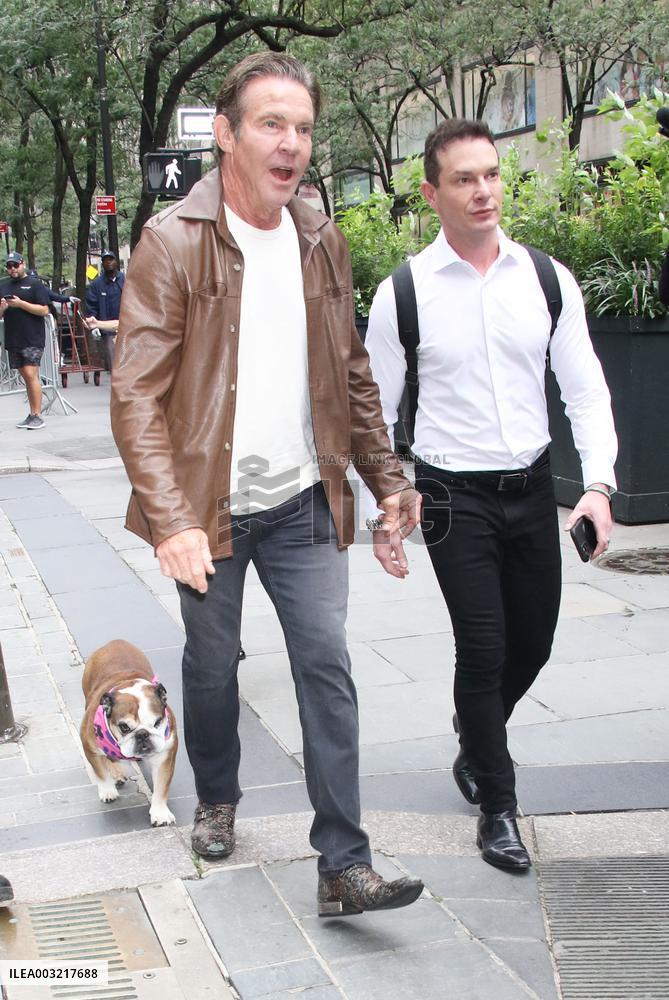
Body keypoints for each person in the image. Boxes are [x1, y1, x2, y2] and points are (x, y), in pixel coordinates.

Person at [111, 52, 424, 917]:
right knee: (212, 668)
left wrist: (386, 480)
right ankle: (217, 795)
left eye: (303, 128)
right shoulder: (172, 240)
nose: (292, 144)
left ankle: (343, 865)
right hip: (207, 509)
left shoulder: (320, 237)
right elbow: (135, 392)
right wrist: (170, 518)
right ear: (226, 135)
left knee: (325, 664)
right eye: (271, 124)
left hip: (302, 503)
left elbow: (351, 371)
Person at [363, 118, 617, 873]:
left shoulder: (544, 278)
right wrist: (388, 498)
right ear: (431, 192)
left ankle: (476, 733)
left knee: (531, 642)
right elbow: (372, 410)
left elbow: (585, 389)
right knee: (482, 645)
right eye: (464, 179)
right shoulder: (402, 293)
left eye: (491, 175)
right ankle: (497, 807)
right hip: (450, 496)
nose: (483, 192)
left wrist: (597, 486)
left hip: (533, 487)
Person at [0, 251, 50, 429]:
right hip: (13, 338)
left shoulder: (35, 284)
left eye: (15, 265)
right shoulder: (3, 285)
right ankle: (32, 413)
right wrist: (3, 308)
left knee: (31, 374)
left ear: (23, 264)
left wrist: (21, 304)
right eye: (9, 266)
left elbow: (44, 310)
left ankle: (37, 415)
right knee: (25, 376)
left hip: (33, 337)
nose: (12, 269)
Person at [85, 250, 125, 371]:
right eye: (105, 260)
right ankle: (116, 384)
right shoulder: (97, 284)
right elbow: (92, 305)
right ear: (102, 263)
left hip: (125, 326)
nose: (108, 263)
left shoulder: (124, 279)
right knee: (113, 360)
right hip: (107, 329)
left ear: (116, 261)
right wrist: (95, 326)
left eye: (111, 259)